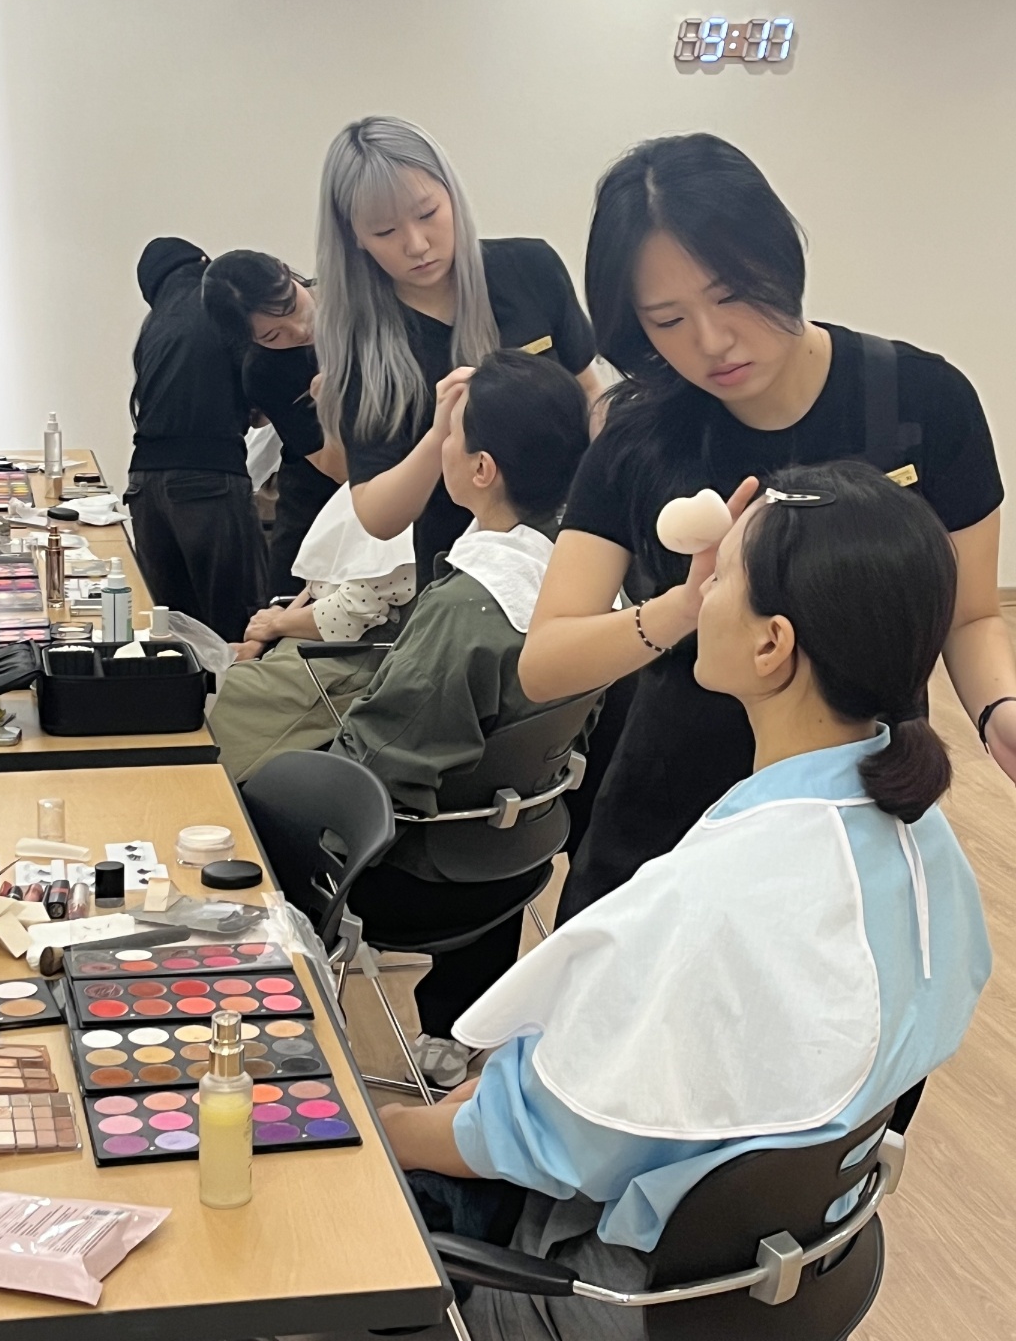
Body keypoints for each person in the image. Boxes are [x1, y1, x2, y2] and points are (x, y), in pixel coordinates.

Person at [382, 461, 992, 1341]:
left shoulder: (728, 890)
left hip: (626, 1295)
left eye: (722, 575)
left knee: (334, 1190)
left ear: (772, 644)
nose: (699, 594)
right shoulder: (919, 836)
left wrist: (388, 1129)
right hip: (780, 1264)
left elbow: (549, 1142)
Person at [518, 133, 1016, 923]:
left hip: (857, 812)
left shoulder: (922, 401)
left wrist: (998, 708)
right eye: (668, 320)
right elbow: (544, 664)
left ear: (779, 256)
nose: (711, 342)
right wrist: (681, 610)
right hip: (671, 823)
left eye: (731, 295)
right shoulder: (639, 438)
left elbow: (970, 615)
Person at [335, 351, 593, 1088]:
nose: (441, 445)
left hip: (417, 882)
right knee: (490, 774)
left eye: (449, 433)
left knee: (254, 787)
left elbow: (378, 765)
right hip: (524, 855)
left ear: (482, 468)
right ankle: (458, 1028)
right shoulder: (590, 583)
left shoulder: (470, 609)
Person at [315, 116, 605, 588]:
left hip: (581, 545)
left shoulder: (530, 268)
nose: (416, 244)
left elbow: (589, 389)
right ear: (355, 239)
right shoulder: (362, 343)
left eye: (428, 213)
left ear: (452, 194)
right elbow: (378, 516)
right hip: (467, 580)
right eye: (385, 232)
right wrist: (440, 435)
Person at [208, 483, 415, 782]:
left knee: (207, 695)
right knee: (193, 676)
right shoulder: (367, 489)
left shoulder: (400, 515)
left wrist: (276, 625)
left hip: (340, 660)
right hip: (306, 643)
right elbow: (319, 586)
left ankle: (202, 796)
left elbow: (348, 616)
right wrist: (261, 639)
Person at [126, 237, 267, 641]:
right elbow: (260, 390)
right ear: (202, 262)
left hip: (144, 487)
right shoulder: (221, 303)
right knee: (238, 625)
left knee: (174, 630)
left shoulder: (153, 326)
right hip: (209, 480)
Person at [201, 250, 346, 596]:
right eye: (271, 336)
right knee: (287, 610)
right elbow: (338, 468)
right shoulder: (265, 371)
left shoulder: (354, 301)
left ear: (286, 273)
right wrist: (336, 406)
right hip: (321, 500)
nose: (298, 331)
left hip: (415, 486)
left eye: (290, 307)